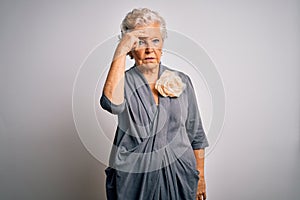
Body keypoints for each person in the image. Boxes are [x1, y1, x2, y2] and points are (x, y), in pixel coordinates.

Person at [100, 8, 209, 200]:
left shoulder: (182, 80)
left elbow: (196, 134)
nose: (150, 49)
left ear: (162, 45)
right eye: (141, 41)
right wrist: (120, 50)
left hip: (180, 176)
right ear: (131, 48)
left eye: (155, 40)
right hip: (134, 179)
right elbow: (111, 104)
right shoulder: (123, 82)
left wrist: (200, 177)